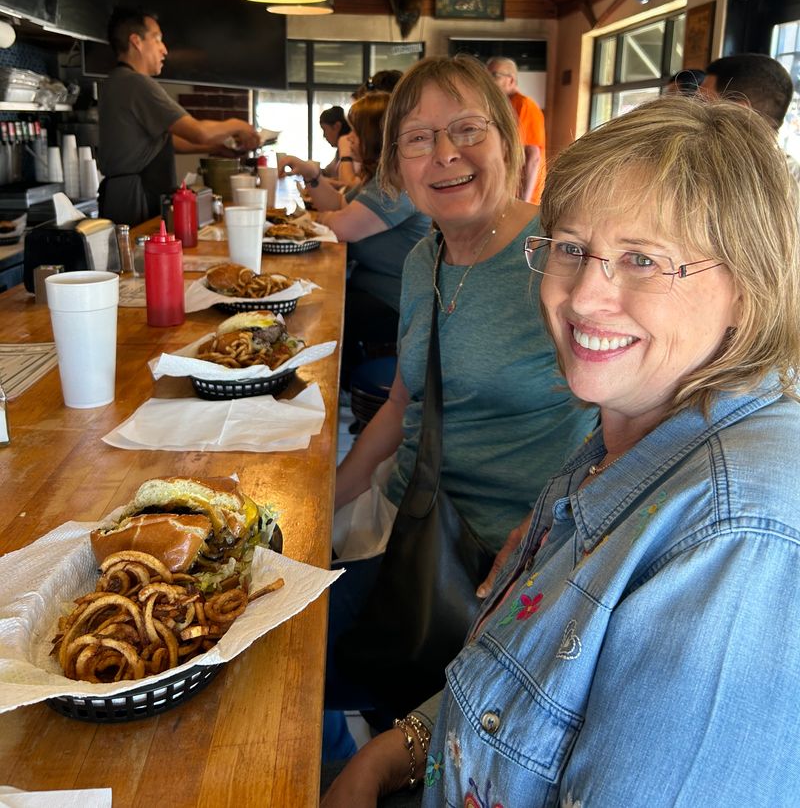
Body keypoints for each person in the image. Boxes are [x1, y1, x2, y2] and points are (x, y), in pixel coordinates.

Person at [321, 95, 800, 807]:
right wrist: (393, 755)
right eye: (572, 248)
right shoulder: (627, 436)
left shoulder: (738, 541)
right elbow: (523, 680)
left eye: (643, 259)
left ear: (749, 289)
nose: (582, 297)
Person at [323, 55, 597, 759]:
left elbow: (632, 428)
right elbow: (401, 403)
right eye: (418, 138)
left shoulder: (563, 261)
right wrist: (321, 503)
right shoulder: (426, 258)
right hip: (403, 526)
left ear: (508, 141)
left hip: (498, 568)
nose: (445, 154)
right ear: (398, 164)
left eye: (468, 129)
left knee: (295, 669)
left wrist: (553, 533)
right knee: (271, 650)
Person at [279, 92, 431, 378]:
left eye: (355, 131)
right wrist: (313, 176)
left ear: (374, 136)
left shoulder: (398, 185)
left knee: (316, 312)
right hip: (373, 290)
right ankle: (346, 377)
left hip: (398, 304)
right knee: (318, 299)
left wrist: (321, 219)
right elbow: (338, 205)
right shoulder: (382, 177)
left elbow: (339, 227)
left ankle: (334, 384)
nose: (349, 138)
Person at [97, 6, 260, 226]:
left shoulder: (116, 81)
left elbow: (168, 142)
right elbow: (198, 132)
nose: (164, 50)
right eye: (157, 39)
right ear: (136, 41)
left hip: (123, 195)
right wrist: (238, 124)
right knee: (141, 248)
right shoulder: (136, 83)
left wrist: (216, 147)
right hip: (135, 200)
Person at [704, 52, 800, 183]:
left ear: (739, 113)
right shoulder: (791, 174)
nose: (691, 110)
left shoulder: (715, 178)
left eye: (703, 102)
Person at [486, 56, 546, 203]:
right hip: (506, 192)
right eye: (486, 75)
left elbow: (533, 156)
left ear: (511, 80)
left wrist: (524, 202)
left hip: (523, 196)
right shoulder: (503, 106)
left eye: (494, 75)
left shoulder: (524, 105)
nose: (487, 81)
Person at [319, 105, 356, 183]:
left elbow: (348, 185)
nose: (324, 136)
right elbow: (328, 172)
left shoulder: (351, 150)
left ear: (337, 126)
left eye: (324, 129)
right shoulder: (340, 151)